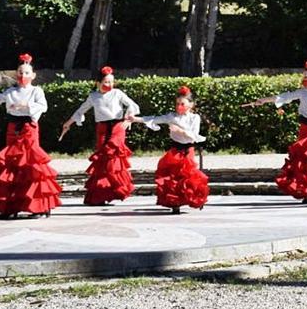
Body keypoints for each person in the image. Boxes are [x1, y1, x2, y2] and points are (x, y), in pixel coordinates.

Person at [0, 53, 61, 219]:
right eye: (20, 72)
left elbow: (43, 107)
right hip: (13, 129)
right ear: (16, 74)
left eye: (26, 73)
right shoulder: (10, 91)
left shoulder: (36, 91)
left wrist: (26, 105)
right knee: (11, 165)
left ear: (33, 75)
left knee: (31, 165)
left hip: (29, 128)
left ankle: (38, 206)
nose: (23, 76)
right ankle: (11, 205)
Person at [244, 61, 307, 204]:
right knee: (303, 159)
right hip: (305, 128)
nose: (304, 80)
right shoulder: (302, 92)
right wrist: (263, 100)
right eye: (303, 77)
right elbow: (283, 97)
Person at [61, 65, 139, 206]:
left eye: (111, 82)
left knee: (113, 158)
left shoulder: (117, 93)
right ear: (98, 83)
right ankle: (101, 193)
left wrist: (128, 118)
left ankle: (118, 188)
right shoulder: (93, 96)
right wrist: (69, 123)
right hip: (102, 129)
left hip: (117, 127)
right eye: (105, 82)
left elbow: (132, 106)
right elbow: (81, 110)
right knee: (102, 161)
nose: (109, 85)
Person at [135, 86, 209, 214]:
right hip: (175, 151)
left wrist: (180, 131)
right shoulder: (172, 117)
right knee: (173, 178)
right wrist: (135, 119)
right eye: (177, 103)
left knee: (189, 177)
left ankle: (194, 198)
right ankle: (175, 203)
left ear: (190, 105)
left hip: (188, 151)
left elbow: (193, 136)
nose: (179, 106)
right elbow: (154, 119)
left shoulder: (194, 118)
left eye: (182, 104)